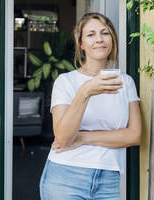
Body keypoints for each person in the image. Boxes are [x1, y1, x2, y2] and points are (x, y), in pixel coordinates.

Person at [39, 13, 142, 200]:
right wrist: (85, 92)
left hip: (109, 179)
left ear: (112, 39)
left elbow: (134, 135)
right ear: (81, 43)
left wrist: (83, 137)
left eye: (105, 33)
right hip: (65, 177)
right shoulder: (66, 82)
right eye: (91, 34)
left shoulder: (125, 82)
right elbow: (62, 138)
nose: (99, 39)